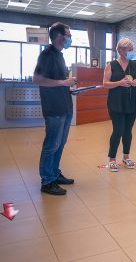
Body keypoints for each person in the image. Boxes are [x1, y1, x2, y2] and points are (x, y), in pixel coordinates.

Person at [33, 22, 76, 195]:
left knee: (60, 144)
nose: (70, 38)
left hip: (65, 107)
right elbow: (37, 78)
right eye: (68, 34)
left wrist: (69, 88)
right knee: (51, 145)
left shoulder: (60, 55)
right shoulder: (47, 54)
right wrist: (63, 83)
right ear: (59, 36)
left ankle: (54, 173)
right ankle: (47, 181)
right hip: (54, 110)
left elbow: (59, 82)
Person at [103, 38, 136, 172]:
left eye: (131, 49)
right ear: (119, 50)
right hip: (116, 102)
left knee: (128, 131)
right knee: (118, 130)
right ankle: (112, 159)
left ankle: (126, 157)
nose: (130, 51)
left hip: (132, 102)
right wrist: (119, 83)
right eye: (127, 49)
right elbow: (105, 83)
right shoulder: (111, 65)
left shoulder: (135, 65)